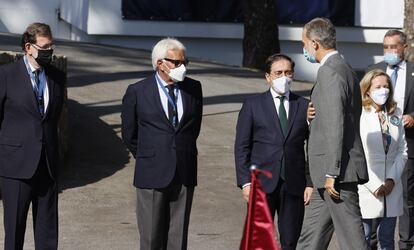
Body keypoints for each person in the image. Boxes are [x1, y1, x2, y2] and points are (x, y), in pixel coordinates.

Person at [121, 38, 203, 250]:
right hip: (151, 172)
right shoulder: (138, 91)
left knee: (178, 237)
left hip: (184, 170)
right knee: (150, 238)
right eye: (177, 63)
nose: (182, 67)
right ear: (160, 63)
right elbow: (130, 134)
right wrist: (151, 155)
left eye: (185, 62)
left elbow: (193, 129)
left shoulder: (194, 88)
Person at [296, 17, 369, 250]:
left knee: (352, 241)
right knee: (310, 240)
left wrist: (332, 172)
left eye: (304, 43)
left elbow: (336, 124)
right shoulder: (343, 67)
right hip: (326, 174)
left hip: (336, 175)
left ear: (315, 44)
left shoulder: (330, 71)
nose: (304, 49)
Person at [234, 53, 313, 249]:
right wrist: (245, 182)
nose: (283, 78)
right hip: (260, 184)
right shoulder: (252, 105)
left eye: (288, 73)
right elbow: (242, 146)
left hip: (294, 184)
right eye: (278, 73)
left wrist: (310, 182)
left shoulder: (304, 106)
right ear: (268, 77)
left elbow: (312, 147)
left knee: (290, 241)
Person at [0, 23, 65, 250]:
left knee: (48, 233)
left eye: (52, 46)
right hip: (15, 166)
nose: (50, 51)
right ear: (28, 47)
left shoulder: (57, 76)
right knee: (14, 231)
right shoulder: (6, 75)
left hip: (47, 165)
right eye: (45, 47)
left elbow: (54, 117)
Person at [366, 30, 414, 250]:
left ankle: (406, 242)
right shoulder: (372, 71)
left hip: (405, 146)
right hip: (377, 149)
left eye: (394, 47)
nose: (390, 51)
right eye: (386, 47)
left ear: (404, 47)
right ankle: (372, 242)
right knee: (376, 197)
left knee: (405, 198)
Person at [358, 69, 408, 249]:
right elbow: (358, 153)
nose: (383, 90)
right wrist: (374, 183)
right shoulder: (359, 113)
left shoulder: (395, 112)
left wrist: (391, 180)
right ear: (367, 90)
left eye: (386, 86)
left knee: (387, 240)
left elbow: (402, 150)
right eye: (378, 86)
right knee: (363, 238)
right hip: (367, 185)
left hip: (391, 187)